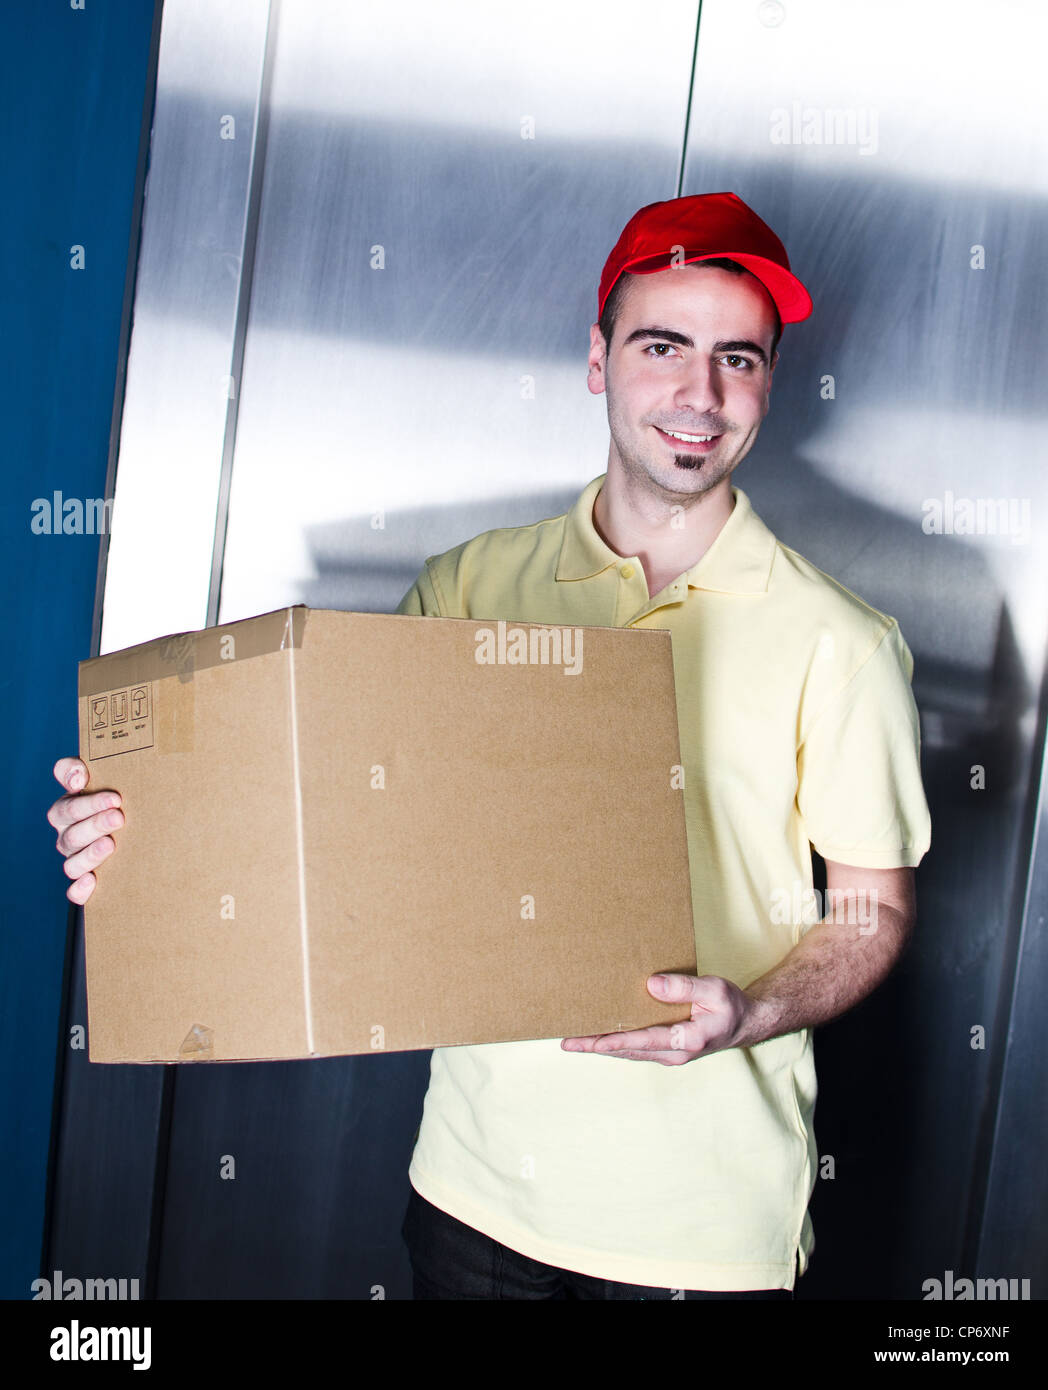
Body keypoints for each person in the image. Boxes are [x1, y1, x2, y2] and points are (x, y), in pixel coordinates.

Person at [48, 192, 931, 1301]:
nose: (699, 396)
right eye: (662, 345)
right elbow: (334, 823)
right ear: (598, 358)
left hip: (702, 1233)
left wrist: (751, 1012)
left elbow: (873, 909)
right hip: (472, 1198)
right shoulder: (470, 586)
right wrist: (145, 836)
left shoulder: (840, 642)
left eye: (737, 359)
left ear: (768, 382)